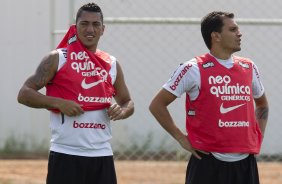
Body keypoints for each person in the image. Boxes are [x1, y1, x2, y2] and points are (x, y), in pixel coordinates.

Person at [17, 2, 134, 184]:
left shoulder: (111, 63)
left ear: (103, 29)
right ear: (75, 27)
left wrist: (122, 110)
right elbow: (24, 93)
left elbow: (127, 101)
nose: (90, 29)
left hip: (101, 155)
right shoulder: (58, 58)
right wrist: (58, 103)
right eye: (84, 23)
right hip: (65, 153)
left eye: (95, 25)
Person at [149, 11, 269, 184]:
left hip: (245, 164)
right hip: (207, 163)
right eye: (233, 29)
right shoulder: (193, 69)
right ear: (216, 36)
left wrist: (258, 135)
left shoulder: (248, 67)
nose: (239, 33)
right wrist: (182, 139)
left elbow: (262, 104)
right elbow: (157, 105)